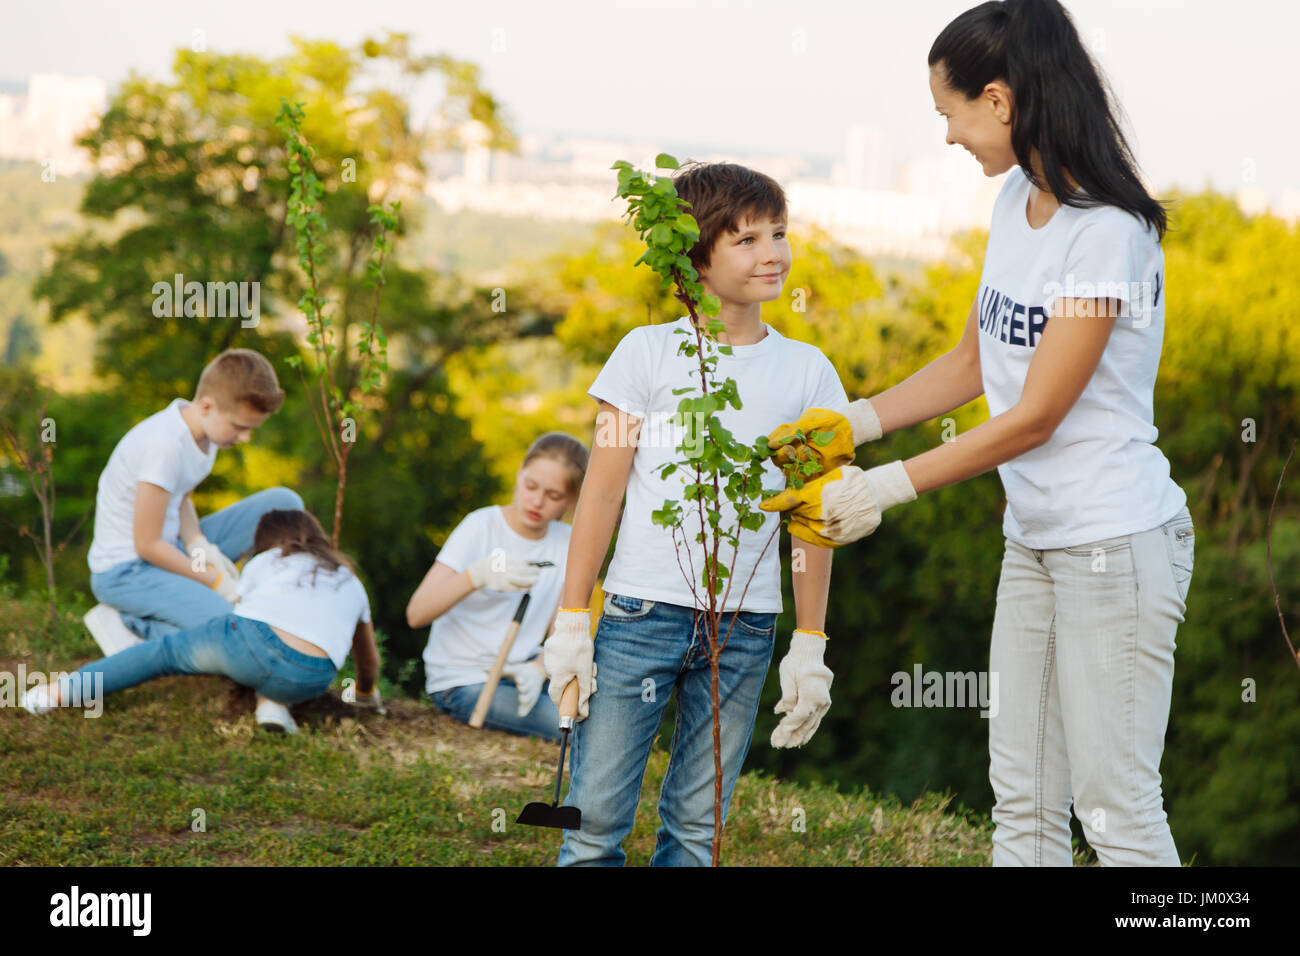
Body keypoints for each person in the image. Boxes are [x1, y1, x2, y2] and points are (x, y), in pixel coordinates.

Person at [760, 0, 1193, 866]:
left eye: (948, 113)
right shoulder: (1015, 200)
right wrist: (854, 423)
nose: (949, 136)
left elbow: (1036, 413)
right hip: (1032, 539)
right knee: (1023, 801)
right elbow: (973, 361)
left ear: (997, 99)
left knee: (1115, 812)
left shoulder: (1107, 233)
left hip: (1115, 544)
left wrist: (886, 486)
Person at [543, 160, 846, 866]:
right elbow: (603, 494)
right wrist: (570, 618)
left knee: (697, 831)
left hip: (744, 625)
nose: (772, 253)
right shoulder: (643, 355)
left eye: (778, 232)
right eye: (745, 239)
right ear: (696, 256)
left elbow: (813, 516)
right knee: (594, 825)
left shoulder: (809, 373)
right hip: (640, 616)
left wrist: (810, 642)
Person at [24, 509, 383, 735]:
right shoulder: (350, 580)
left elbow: (245, 611)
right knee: (278, 654)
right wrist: (366, 695)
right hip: (312, 676)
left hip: (250, 645)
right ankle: (273, 704)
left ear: (268, 544)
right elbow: (367, 660)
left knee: (163, 654)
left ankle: (57, 692)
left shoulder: (269, 560)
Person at [83, 349, 303, 659]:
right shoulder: (164, 447)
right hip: (127, 572)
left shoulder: (205, 433)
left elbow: (180, 497)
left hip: (171, 547)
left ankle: (255, 592)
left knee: (286, 506)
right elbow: (146, 545)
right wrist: (215, 581)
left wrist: (201, 547)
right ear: (207, 406)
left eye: (252, 428)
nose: (245, 438)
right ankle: (127, 624)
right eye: (240, 427)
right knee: (232, 630)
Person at [407, 433, 588, 742]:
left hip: (522, 677)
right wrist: (475, 576)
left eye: (554, 495)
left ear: (571, 500)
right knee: (580, 731)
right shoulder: (480, 526)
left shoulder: (567, 543)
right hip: (465, 681)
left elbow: (563, 631)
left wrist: (539, 668)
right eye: (531, 486)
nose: (537, 501)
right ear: (519, 473)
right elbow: (417, 613)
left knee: (595, 710)